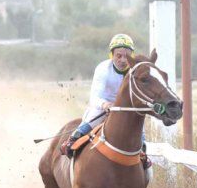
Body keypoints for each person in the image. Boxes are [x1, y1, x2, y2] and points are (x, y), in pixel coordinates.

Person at [59, 34, 150, 168]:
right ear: (111, 55)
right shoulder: (103, 69)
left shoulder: (135, 70)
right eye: (118, 56)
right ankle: (72, 140)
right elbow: (94, 97)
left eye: (127, 56)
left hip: (125, 109)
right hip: (103, 106)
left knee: (140, 128)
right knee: (92, 119)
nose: (123, 60)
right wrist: (105, 104)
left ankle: (142, 154)